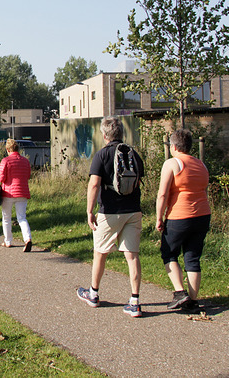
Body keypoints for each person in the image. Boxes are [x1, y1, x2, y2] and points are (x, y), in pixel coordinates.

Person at [77, 116, 145, 318]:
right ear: (121, 133)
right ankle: (135, 302)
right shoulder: (133, 154)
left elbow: (94, 184)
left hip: (109, 211)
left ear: (104, 135)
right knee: (132, 255)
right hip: (133, 210)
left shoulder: (102, 155)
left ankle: (94, 293)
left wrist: (89, 211)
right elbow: (139, 181)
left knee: (100, 252)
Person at [155, 128, 211, 314]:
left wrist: (159, 217)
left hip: (180, 216)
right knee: (192, 257)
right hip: (202, 215)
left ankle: (180, 292)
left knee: (169, 253)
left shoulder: (172, 163)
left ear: (173, 146)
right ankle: (193, 300)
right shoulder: (201, 164)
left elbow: (162, 194)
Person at [0, 138, 33, 251]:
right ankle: (27, 239)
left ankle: (8, 241)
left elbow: (1, 178)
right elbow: (28, 176)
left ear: (7, 149)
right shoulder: (25, 161)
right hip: (22, 192)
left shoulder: (5, 161)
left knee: (6, 217)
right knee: (22, 218)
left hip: (8, 193)